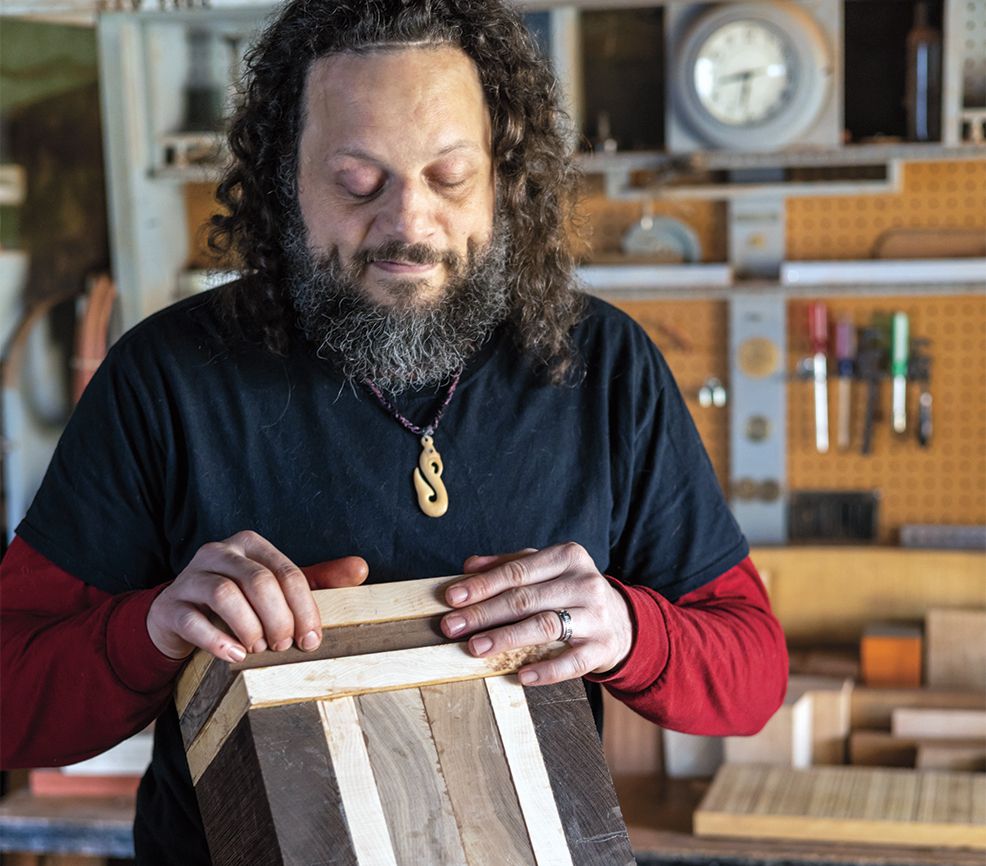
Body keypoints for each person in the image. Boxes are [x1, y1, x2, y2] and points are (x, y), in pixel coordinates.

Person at [0, 1, 787, 863]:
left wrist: (627, 632)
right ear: (283, 182)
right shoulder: (166, 378)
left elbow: (751, 677)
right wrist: (153, 628)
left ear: (503, 179)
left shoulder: (606, 367)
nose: (409, 224)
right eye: (357, 182)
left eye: (450, 177)